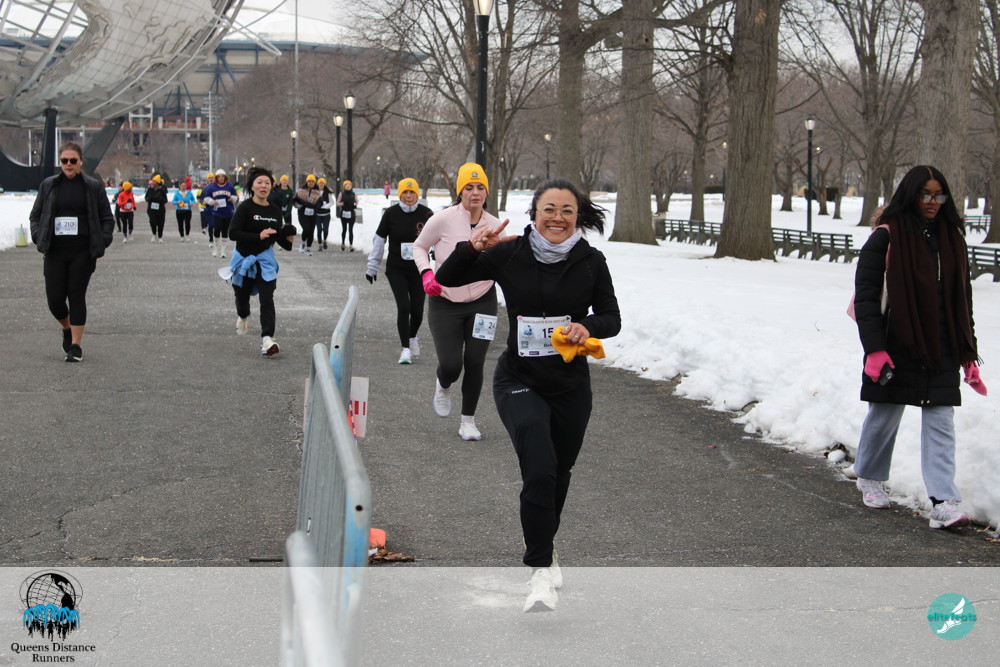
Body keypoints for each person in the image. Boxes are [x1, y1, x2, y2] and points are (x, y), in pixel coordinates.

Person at [436, 177, 620, 612]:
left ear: (577, 217)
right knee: (538, 467)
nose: (558, 218)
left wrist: (587, 326)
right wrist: (472, 249)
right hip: (519, 379)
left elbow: (611, 317)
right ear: (534, 214)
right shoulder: (511, 253)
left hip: (570, 385)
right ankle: (539, 572)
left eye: (567, 211)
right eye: (549, 209)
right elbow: (447, 278)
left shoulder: (590, 261)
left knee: (560, 472)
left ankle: (546, 546)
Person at [852, 165, 985, 530]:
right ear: (910, 195)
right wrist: (874, 349)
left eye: (939, 194)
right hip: (897, 341)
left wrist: (968, 352)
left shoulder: (951, 238)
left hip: (942, 344)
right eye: (924, 194)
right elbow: (866, 297)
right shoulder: (886, 237)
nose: (932, 201)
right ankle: (870, 476)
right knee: (885, 413)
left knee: (941, 420)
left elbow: (963, 299)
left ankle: (943, 501)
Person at [413, 163, 506, 441]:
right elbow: (420, 246)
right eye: (468, 187)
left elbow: (503, 263)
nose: (475, 193)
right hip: (445, 302)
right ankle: (444, 384)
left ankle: (468, 421)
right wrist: (426, 273)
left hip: (483, 302)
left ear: (487, 192)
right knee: (452, 364)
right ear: (460, 192)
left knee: (475, 361)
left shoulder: (495, 225)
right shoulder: (442, 219)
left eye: (480, 187)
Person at [28, 141, 115, 362]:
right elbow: (35, 215)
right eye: (64, 160)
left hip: (82, 251)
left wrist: (103, 240)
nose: (68, 164)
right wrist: (38, 235)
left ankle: (76, 346)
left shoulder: (93, 187)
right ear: (60, 162)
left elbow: (107, 218)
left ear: (80, 162)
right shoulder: (48, 185)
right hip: (55, 250)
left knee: (76, 296)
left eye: (73, 160)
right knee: (55, 300)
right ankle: (67, 328)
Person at [227, 166, 297, 356]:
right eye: (259, 182)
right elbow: (233, 233)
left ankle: (267, 339)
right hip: (243, 259)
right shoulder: (245, 207)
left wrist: (288, 239)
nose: (263, 186)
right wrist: (258, 235)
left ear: (272, 187)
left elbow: (277, 237)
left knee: (267, 299)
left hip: (265, 261)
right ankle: (242, 316)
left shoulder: (275, 210)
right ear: (252, 186)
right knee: (242, 299)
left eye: (267, 183)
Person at [365, 177, 434, 364]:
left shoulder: (427, 214)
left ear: (417, 194)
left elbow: (438, 237)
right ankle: (405, 349)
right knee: (404, 307)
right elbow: (379, 241)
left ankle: (412, 337)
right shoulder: (391, 214)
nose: (408, 196)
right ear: (400, 194)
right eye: (405, 192)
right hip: (397, 269)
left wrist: (436, 252)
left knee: (417, 310)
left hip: (419, 269)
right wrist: (372, 267)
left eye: (412, 192)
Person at [203, 168, 238, 258]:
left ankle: (223, 251)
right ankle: (215, 249)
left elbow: (236, 197)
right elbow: (206, 198)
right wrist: (212, 202)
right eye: (219, 177)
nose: (221, 178)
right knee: (217, 229)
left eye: (222, 176)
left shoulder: (229, 186)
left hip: (228, 212)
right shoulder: (212, 187)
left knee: (225, 231)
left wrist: (232, 198)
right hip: (217, 212)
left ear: (225, 177)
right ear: (216, 178)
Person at [293, 174, 320, 255]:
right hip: (302, 213)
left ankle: (308, 248)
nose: (311, 183)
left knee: (311, 231)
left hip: (313, 214)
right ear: (306, 182)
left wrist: (316, 208)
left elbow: (320, 203)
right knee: (306, 229)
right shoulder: (300, 191)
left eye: (312, 181)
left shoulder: (317, 193)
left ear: (315, 183)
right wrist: (300, 206)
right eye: (309, 181)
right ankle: (303, 243)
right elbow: (294, 201)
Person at [144, 174, 168, 242]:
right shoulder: (150, 190)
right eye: (152, 181)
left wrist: (160, 199)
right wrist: (150, 199)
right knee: (152, 222)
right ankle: (154, 234)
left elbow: (165, 200)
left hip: (160, 209)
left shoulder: (162, 190)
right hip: (151, 209)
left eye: (154, 181)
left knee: (160, 223)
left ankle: (160, 236)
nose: (152, 183)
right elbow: (146, 198)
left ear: (157, 183)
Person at [336, 179, 358, 251]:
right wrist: (342, 204)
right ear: (344, 186)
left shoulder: (354, 194)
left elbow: (357, 201)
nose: (348, 186)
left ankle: (351, 245)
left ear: (351, 186)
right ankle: (343, 243)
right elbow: (337, 203)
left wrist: (355, 205)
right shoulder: (341, 194)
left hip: (351, 213)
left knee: (350, 230)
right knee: (344, 229)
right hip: (344, 213)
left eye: (349, 185)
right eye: (346, 185)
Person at [315, 177, 333, 251]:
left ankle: (324, 240)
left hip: (326, 214)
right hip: (318, 215)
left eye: (322, 183)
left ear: (324, 184)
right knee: (319, 229)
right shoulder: (315, 192)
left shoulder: (328, 192)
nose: (321, 184)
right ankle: (319, 244)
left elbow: (332, 202)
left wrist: (325, 206)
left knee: (325, 229)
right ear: (318, 184)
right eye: (320, 183)